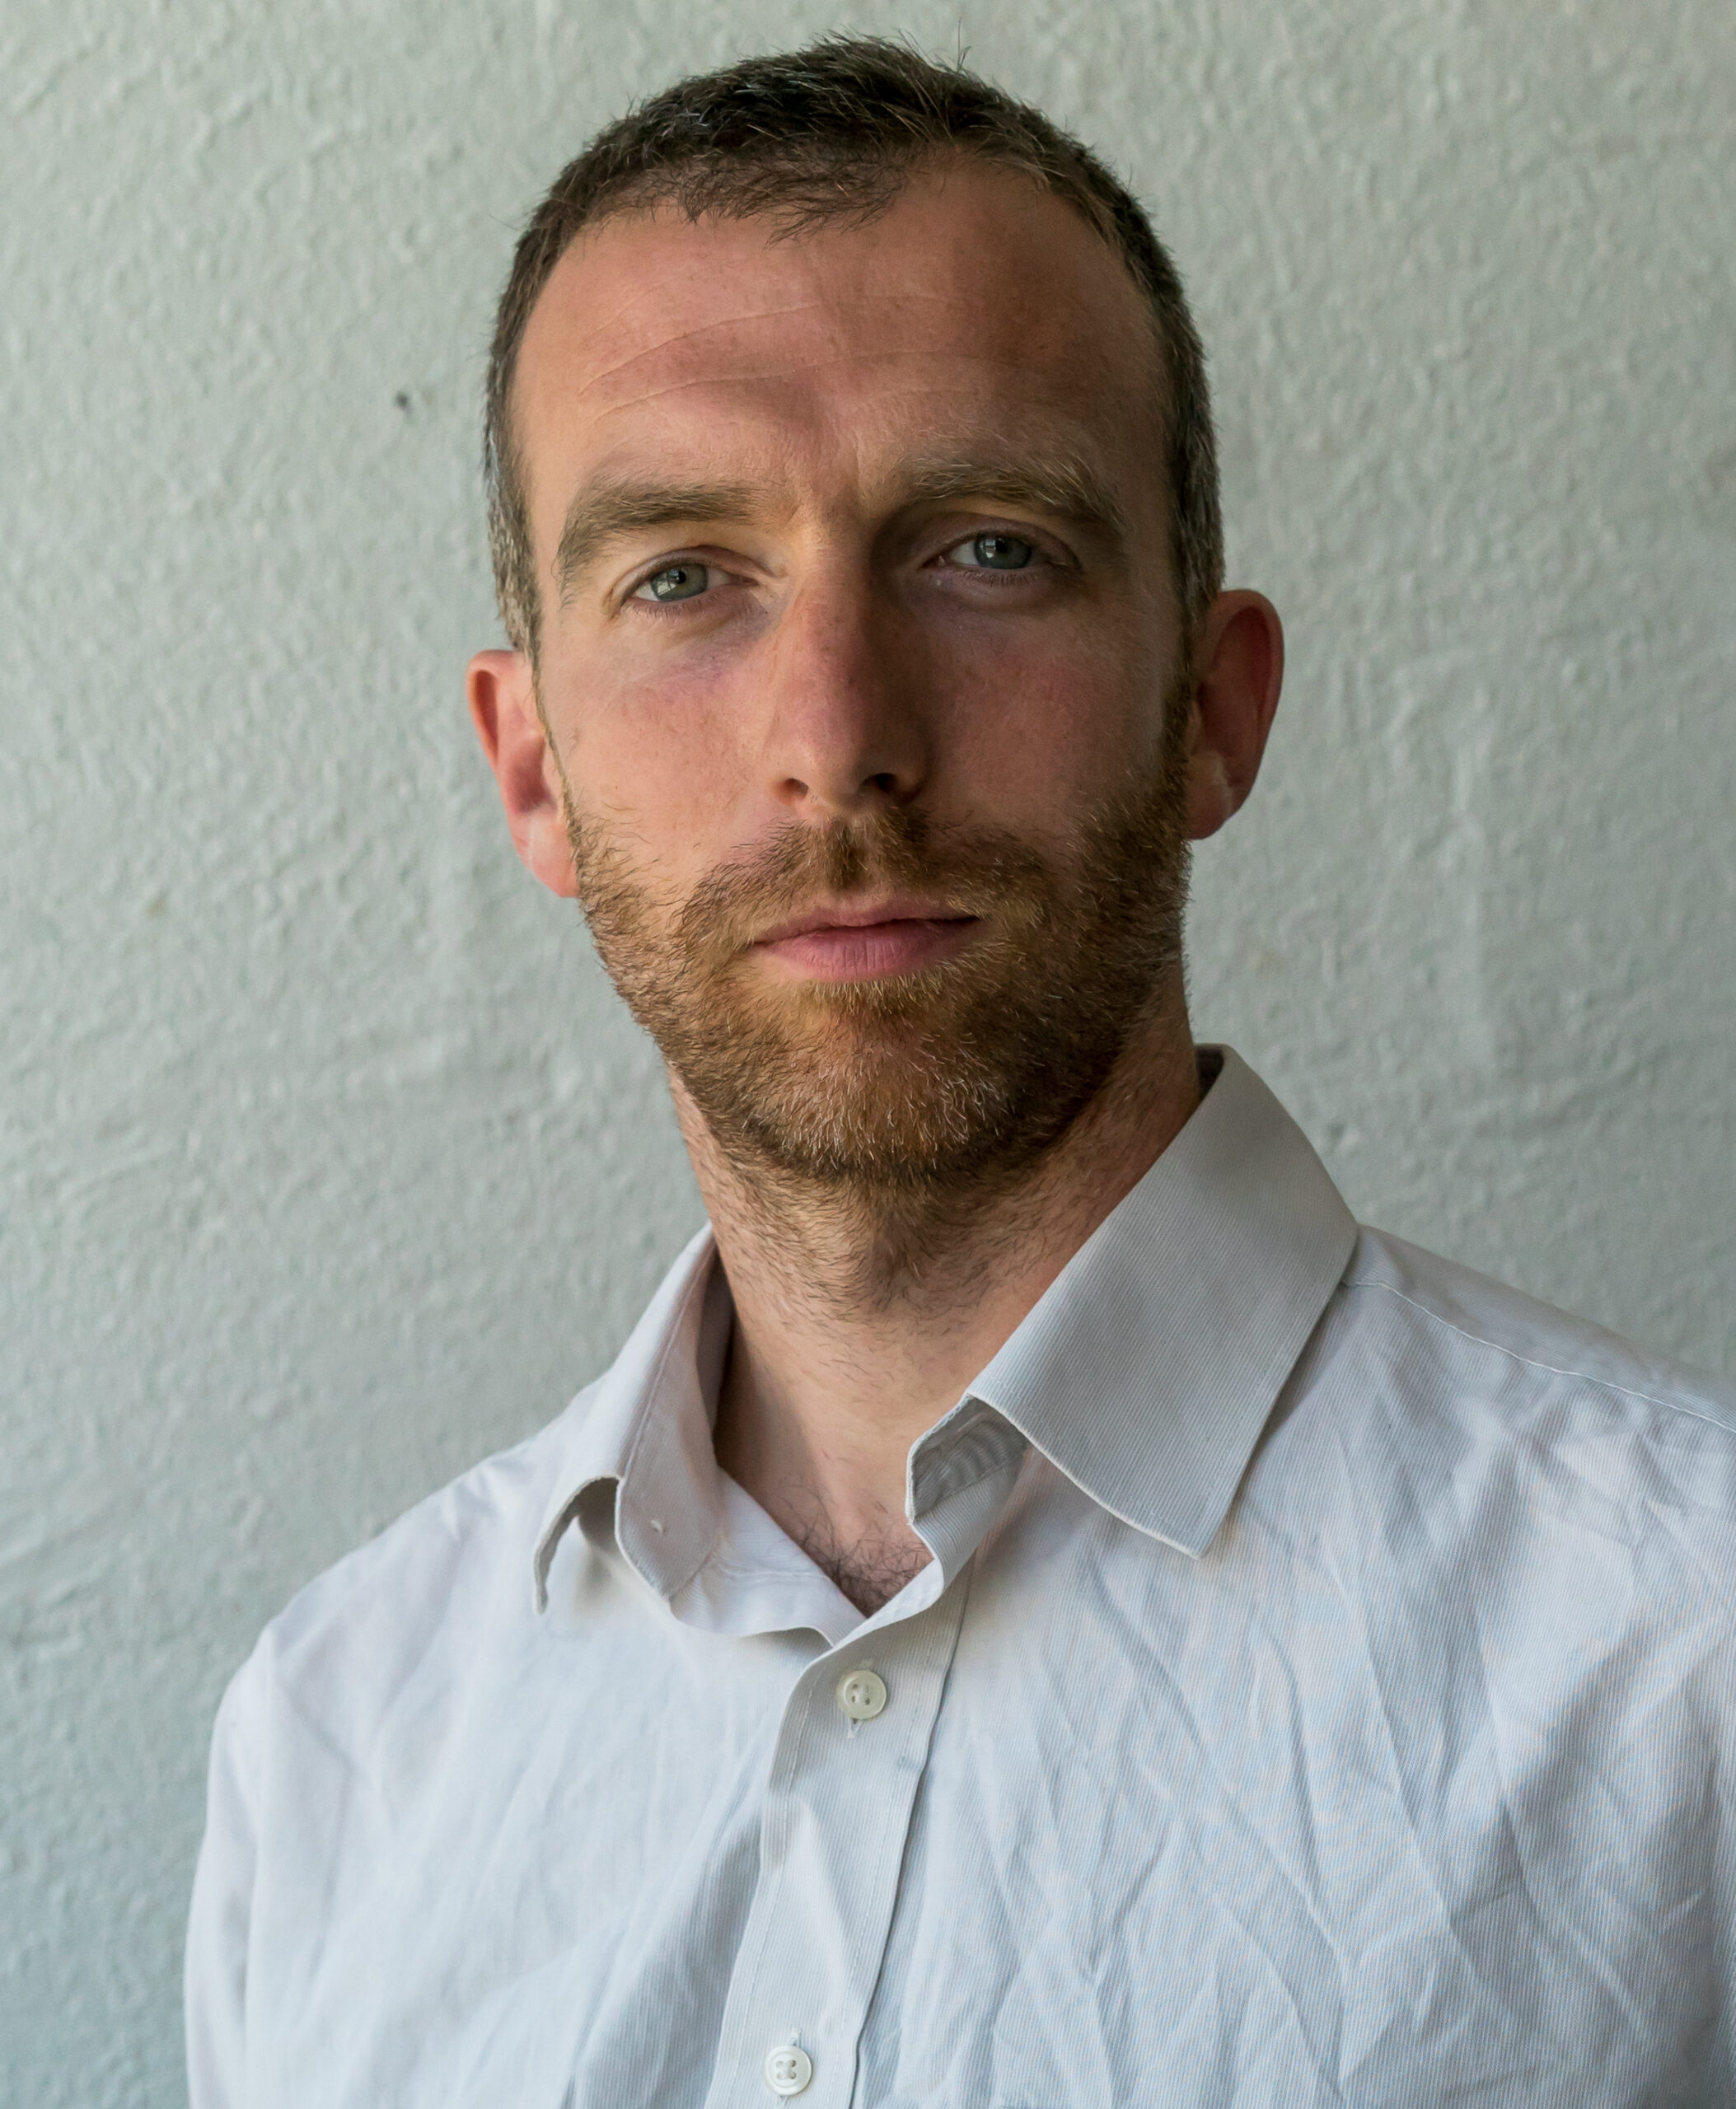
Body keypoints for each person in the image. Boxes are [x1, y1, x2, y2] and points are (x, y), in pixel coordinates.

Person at [185, 37, 1735, 2109]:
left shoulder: (1684, 1662)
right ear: (532, 765)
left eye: (987, 546)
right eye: (682, 577)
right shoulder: (339, 1738)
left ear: (1211, 705)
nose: (839, 731)